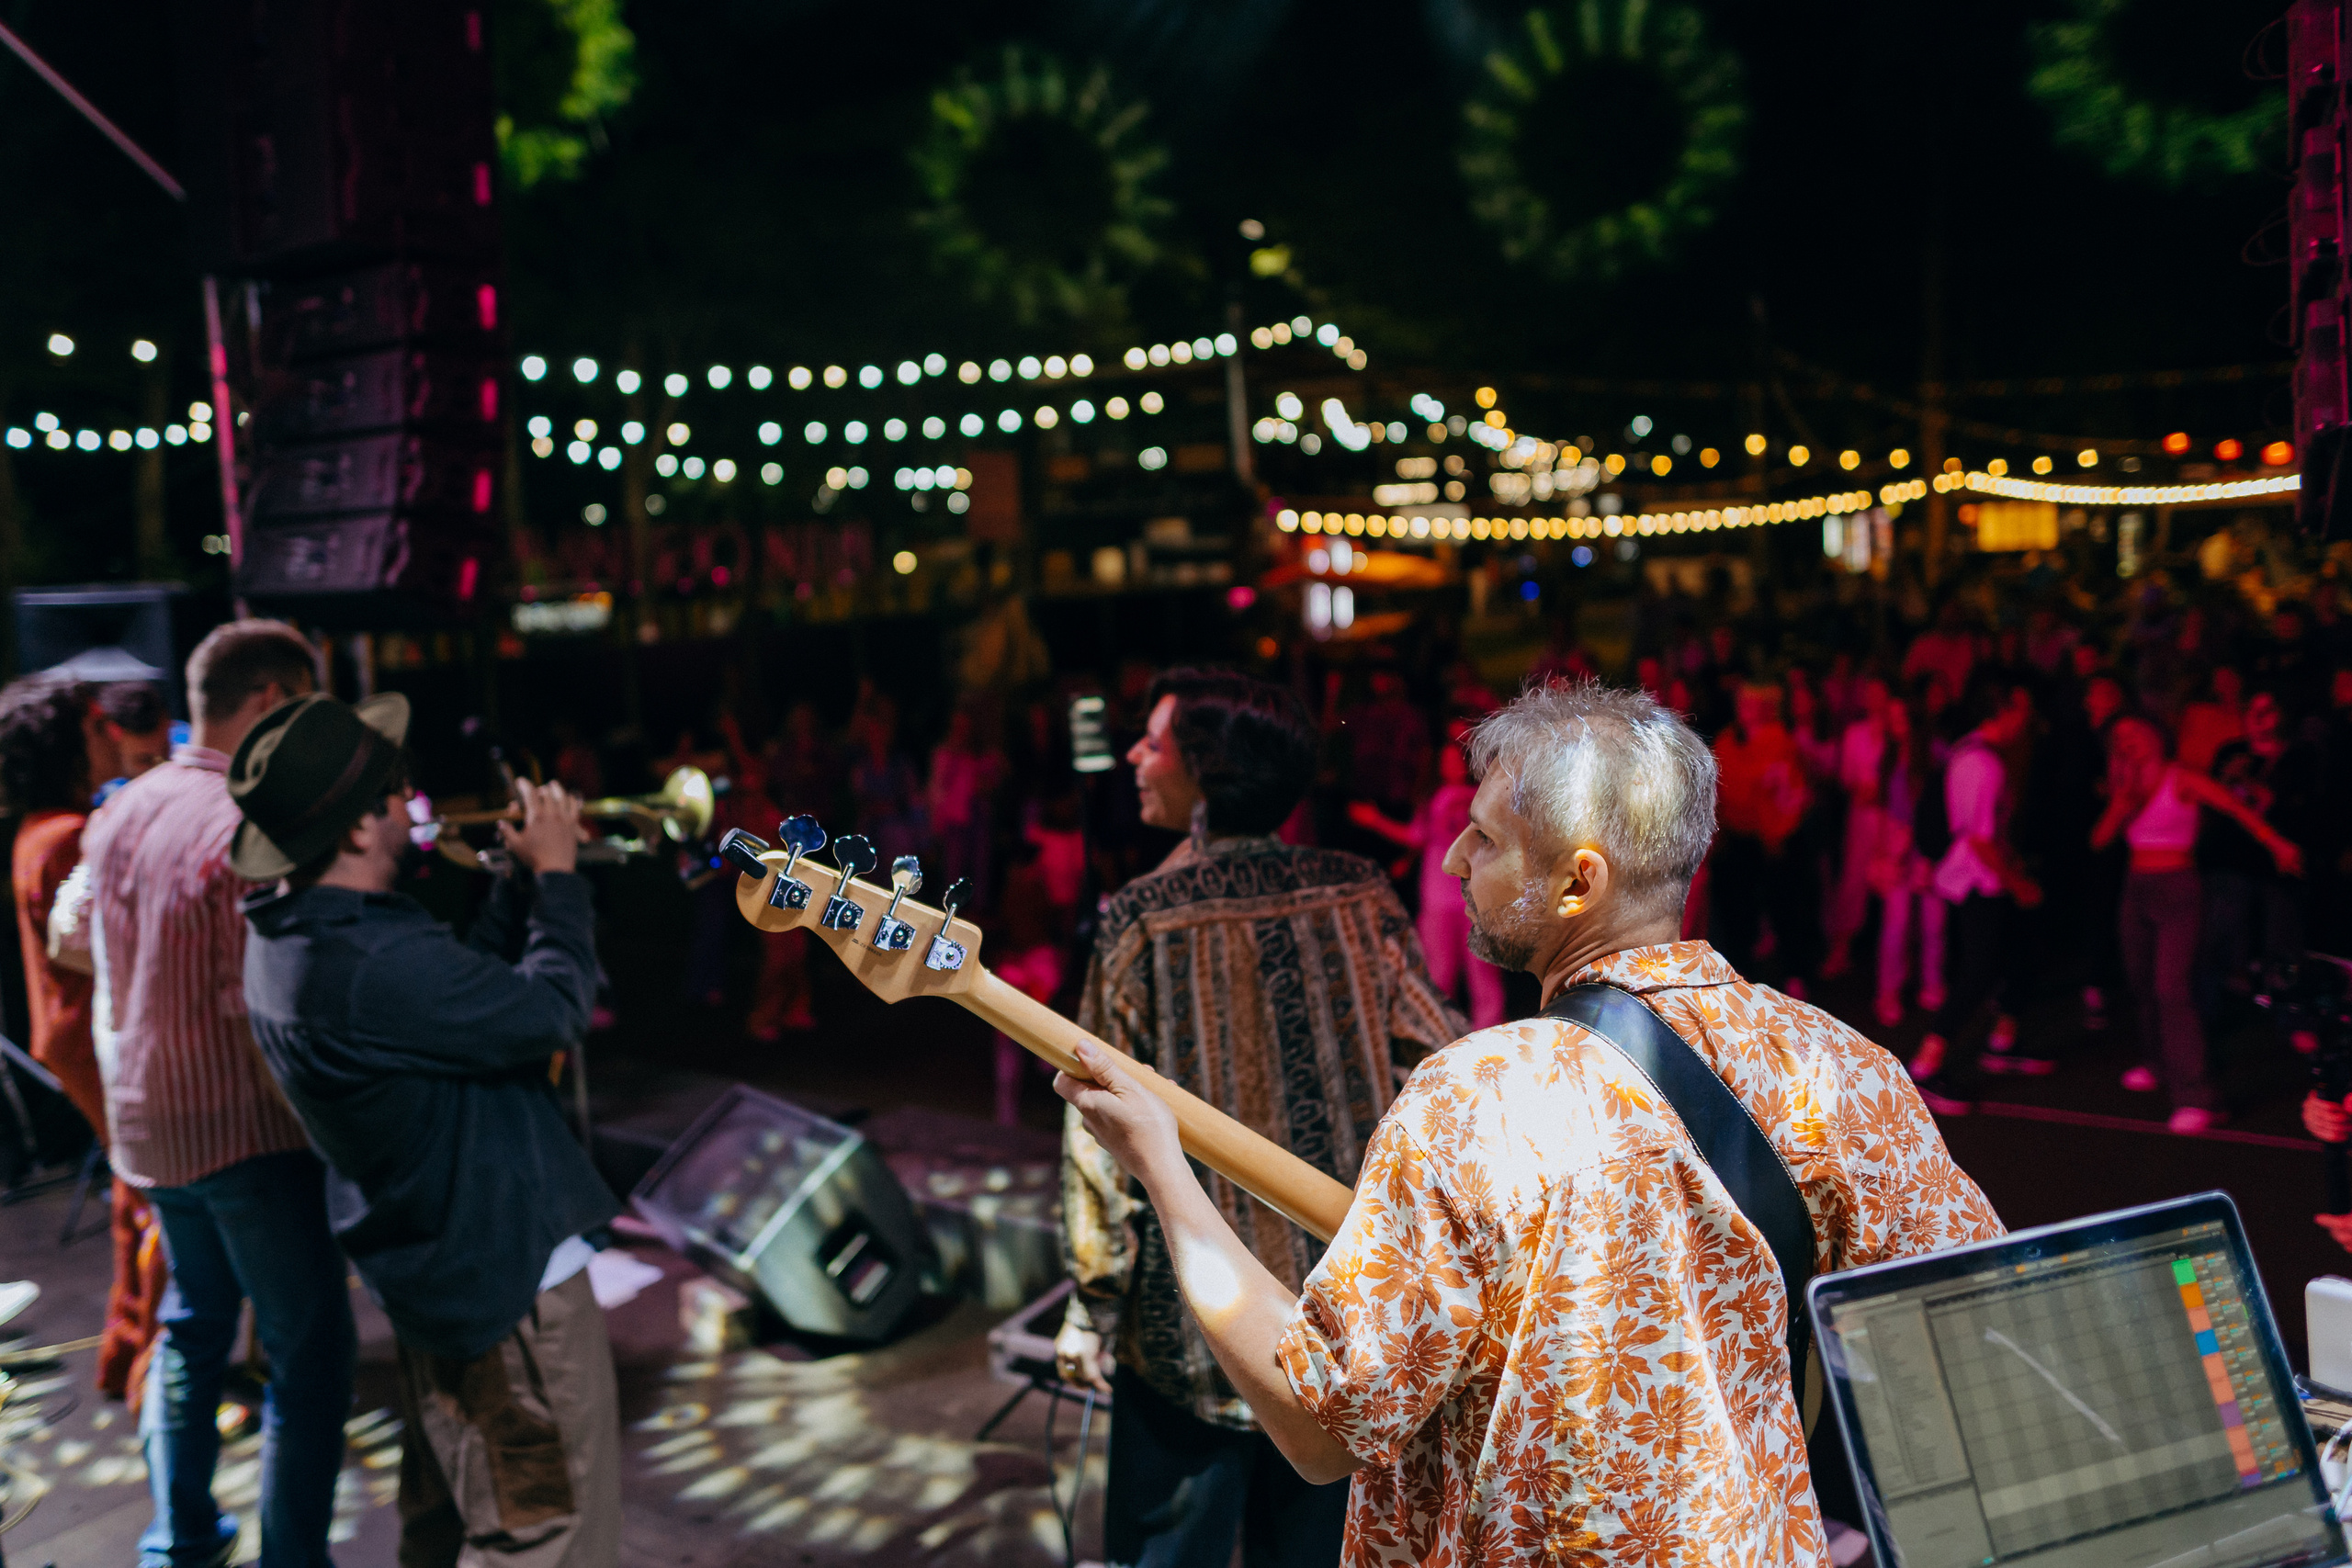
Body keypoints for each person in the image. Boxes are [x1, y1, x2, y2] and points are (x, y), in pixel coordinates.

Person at [1053, 679, 2003, 1565]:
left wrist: (1162, 1166)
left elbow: (1317, 1424)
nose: (1454, 859)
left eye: (1484, 839)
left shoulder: (1478, 1098)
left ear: (1577, 884)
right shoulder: (1839, 1067)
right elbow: (1970, 1332)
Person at [1054, 669, 1462, 1568]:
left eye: (1153, 743)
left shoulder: (1141, 919)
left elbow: (1096, 1137)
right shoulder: (1360, 892)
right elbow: (1440, 1074)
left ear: (1203, 770)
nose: (1131, 758)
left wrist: (1092, 1301)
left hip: (1188, 1339)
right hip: (1341, 1329)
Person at [232, 694, 621, 1568]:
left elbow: (465, 1002)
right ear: (359, 829)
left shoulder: (301, 933)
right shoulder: (369, 963)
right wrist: (559, 878)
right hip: (505, 1287)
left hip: (439, 1276)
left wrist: (510, 886)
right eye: (397, 791)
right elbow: (551, 1011)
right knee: (546, 1540)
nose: (417, 804)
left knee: (448, 1524)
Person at [80, 619, 354, 1568]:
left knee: (193, 1327)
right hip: (243, 1130)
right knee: (308, 1357)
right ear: (274, 701)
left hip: (145, 1123)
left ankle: (180, 1542)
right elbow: (271, 1000)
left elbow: (80, 945)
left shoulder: (117, 807)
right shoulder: (248, 820)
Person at [0, 674, 172, 1407]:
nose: (113, 738)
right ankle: (152, 1372)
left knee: (139, 1192)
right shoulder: (69, 832)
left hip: (65, 1030)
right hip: (90, 1029)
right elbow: (99, 943)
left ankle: (129, 1355)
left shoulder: (44, 827)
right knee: (159, 1194)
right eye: (97, 727)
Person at [2092, 714, 2301, 1132]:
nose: (2128, 739)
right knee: (2142, 983)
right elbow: (2099, 840)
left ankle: (2199, 1095)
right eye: (2120, 736)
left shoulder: (2180, 777)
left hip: (2177, 887)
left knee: (2172, 987)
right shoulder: (2123, 783)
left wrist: (2276, 842)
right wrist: (2122, 801)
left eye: (2135, 730)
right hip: (2136, 887)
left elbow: (2234, 806)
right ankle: (2159, 1062)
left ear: (2155, 732)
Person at [1907, 674, 2042, 1106]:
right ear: (2002, 711)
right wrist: (2018, 883)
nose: (2028, 716)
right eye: (2021, 707)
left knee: (2014, 954)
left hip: (1972, 877)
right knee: (1979, 971)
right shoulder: (1986, 764)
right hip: (1977, 880)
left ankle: (2004, 1040)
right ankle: (1926, 1066)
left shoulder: (1966, 751)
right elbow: (1980, 840)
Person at [1348, 720, 1507, 1029]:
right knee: (1439, 971)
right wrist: (1376, 821)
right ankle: (1438, 1033)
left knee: (1483, 971)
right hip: (1438, 898)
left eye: (1455, 759)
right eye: (1445, 761)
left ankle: (1491, 1032)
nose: (1450, 765)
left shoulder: (1484, 796)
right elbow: (1417, 836)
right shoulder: (1433, 798)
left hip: (1477, 897)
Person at [1710, 680, 1821, 996]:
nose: (1747, 710)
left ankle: (1795, 972)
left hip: (1777, 842)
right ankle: (1741, 970)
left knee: (1786, 909)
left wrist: (1779, 832)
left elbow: (1791, 794)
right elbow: (1722, 787)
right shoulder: (1728, 740)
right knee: (1739, 912)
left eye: (1754, 704)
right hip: (1738, 840)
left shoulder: (1779, 741)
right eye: (1743, 703)